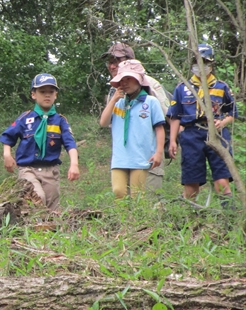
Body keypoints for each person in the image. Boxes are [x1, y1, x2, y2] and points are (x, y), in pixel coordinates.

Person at [167, 43, 238, 207]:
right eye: (196, 61)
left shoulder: (221, 87)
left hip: (217, 134)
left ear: (211, 64)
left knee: (222, 182)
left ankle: (230, 220)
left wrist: (223, 122)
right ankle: (188, 220)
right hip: (191, 134)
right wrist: (172, 140)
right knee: (191, 183)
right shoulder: (182, 88)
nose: (200, 66)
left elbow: (232, 113)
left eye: (204, 62)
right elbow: (175, 116)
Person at [0, 74, 80, 210]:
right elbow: (8, 137)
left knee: (51, 207)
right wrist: (7, 155)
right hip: (28, 169)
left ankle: (47, 231)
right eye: (42, 92)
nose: (47, 95)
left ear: (56, 95)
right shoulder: (25, 118)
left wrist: (74, 164)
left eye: (51, 92)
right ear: (33, 95)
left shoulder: (60, 121)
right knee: (37, 198)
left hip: (51, 171)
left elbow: (70, 144)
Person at [101, 42, 171, 191]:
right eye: (110, 62)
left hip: (148, 153)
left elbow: (168, 116)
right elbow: (109, 123)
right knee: (122, 195)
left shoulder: (150, 85)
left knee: (147, 198)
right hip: (125, 157)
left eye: (117, 61)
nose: (113, 66)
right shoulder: (114, 93)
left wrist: (167, 146)